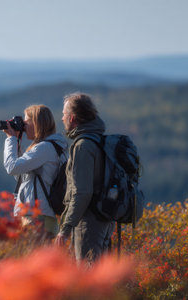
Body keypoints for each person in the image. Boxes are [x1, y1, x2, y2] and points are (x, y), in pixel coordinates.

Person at [55, 92, 114, 262]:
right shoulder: (98, 140)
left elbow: (82, 192)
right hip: (103, 218)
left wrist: (66, 228)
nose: (62, 118)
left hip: (88, 222)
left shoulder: (83, 146)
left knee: (88, 275)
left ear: (72, 118)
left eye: (64, 114)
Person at [3, 104, 67, 238]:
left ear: (37, 123)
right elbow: (21, 175)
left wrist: (11, 139)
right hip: (39, 215)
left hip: (37, 217)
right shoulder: (49, 147)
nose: (24, 127)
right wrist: (17, 143)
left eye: (26, 122)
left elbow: (12, 167)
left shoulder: (44, 148)